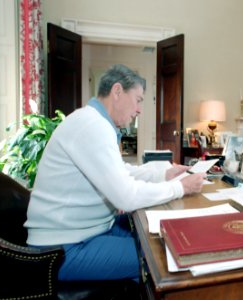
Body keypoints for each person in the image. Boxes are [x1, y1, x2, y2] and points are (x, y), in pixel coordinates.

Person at [24, 64, 206, 283]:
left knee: (155, 238)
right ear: (117, 91)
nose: (139, 109)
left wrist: (164, 174)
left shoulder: (91, 120)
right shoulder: (92, 125)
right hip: (62, 249)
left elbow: (120, 171)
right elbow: (127, 197)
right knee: (162, 256)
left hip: (80, 234)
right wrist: (181, 187)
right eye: (138, 99)